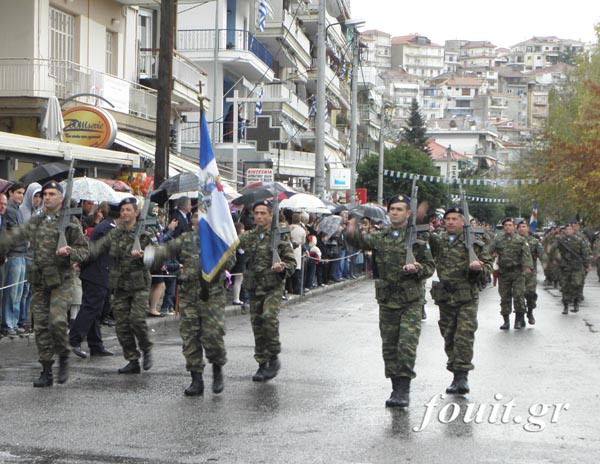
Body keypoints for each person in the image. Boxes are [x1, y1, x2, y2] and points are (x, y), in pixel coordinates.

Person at [346, 194, 435, 408]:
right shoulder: (381, 236)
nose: (395, 212)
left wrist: (417, 269)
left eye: (400, 209)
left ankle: (403, 389)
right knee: (390, 346)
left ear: (408, 213)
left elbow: (430, 268)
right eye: (392, 209)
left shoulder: (417, 238)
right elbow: (358, 240)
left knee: (406, 344)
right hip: (387, 300)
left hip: (410, 300)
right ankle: (395, 386)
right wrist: (353, 224)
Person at [0, 180, 89, 387]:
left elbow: (84, 251)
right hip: (40, 281)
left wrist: (70, 252)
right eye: (45, 194)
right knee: (40, 326)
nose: (47, 197)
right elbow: (16, 236)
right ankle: (47, 369)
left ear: (60, 197)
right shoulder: (37, 219)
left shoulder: (70, 221)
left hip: (61, 281)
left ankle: (64, 354)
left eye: (51, 194)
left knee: (57, 321)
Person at [146, 210, 235, 395]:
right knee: (190, 337)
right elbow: (168, 249)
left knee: (213, 336)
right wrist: (150, 254)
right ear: (192, 220)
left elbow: (231, 260)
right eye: (195, 216)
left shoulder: (217, 237)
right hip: (189, 295)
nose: (198, 219)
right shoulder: (186, 238)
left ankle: (217, 368)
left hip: (212, 295)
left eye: (202, 216)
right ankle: (196, 379)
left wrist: (216, 257)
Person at [428, 207, 493, 395]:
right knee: (448, 335)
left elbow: (488, 267)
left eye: (455, 219)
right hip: (445, 296)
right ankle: (454, 369)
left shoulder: (474, 243)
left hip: (466, 297)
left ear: (463, 221)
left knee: (464, 335)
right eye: (447, 219)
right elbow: (423, 246)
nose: (450, 222)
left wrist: (478, 268)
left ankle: (462, 376)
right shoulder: (438, 241)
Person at [89, 197, 154, 374]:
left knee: (137, 320)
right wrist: (79, 258)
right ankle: (132, 359)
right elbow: (98, 247)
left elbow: (154, 259)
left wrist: (142, 255)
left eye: (128, 209)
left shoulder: (145, 234)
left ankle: (146, 348)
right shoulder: (116, 233)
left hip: (139, 283)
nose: (125, 212)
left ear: (136, 212)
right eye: (123, 210)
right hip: (121, 284)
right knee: (122, 325)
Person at [237, 200, 296, 382]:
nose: (259, 217)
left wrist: (282, 266)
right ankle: (262, 364)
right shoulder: (248, 237)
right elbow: (230, 248)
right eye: (256, 213)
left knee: (268, 317)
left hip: (273, 286)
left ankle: (273, 356)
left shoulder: (279, 236)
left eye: (263, 213)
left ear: (271, 215)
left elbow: (292, 263)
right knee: (257, 325)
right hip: (254, 286)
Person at [69, 202, 115, 359]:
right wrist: (82, 263)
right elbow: (95, 250)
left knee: (96, 310)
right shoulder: (108, 228)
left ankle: (96, 344)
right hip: (97, 273)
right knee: (91, 308)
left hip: (100, 273)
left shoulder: (109, 226)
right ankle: (74, 339)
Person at [489, 218, 533, 330]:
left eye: (510, 225)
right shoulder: (498, 240)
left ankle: (519, 319)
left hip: (518, 272)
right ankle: (506, 321)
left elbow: (526, 255)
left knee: (518, 296)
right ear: (503, 227)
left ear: (514, 227)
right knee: (505, 297)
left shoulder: (521, 240)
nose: (508, 227)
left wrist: (527, 267)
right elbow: (488, 251)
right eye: (505, 225)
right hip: (504, 273)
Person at [1, 181, 27, 337]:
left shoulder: (17, 210)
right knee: (11, 291)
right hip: (14, 254)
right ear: (10, 193)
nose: (21, 196)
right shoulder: (10, 209)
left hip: (22, 253)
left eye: (23, 193)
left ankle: (14, 322)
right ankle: (8, 323)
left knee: (18, 291)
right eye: (18, 193)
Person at [553, 223, 591, 314]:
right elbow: (553, 249)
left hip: (577, 266)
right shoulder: (560, 241)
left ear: (573, 230)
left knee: (576, 284)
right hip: (565, 267)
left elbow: (585, 253)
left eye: (570, 229)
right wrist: (555, 257)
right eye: (566, 229)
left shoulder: (579, 240)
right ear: (564, 231)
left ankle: (575, 303)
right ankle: (565, 306)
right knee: (565, 286)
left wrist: (587, 265)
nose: (568, 231)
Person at [516, 220, 544, 324]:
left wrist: (545, 263)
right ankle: (520, 317)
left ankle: (530, 312)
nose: (522, 228)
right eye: (520, 227)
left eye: (524, 226)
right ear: (517, 229)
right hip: (517, 272)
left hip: (530, 273)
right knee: (519, 295)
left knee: (530, 294)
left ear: (527, 228)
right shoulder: (514, 241)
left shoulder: (534, 241)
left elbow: (541, 253)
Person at [231, 222, 247, 305]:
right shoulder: (239, 239)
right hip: (239, 261)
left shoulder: (232, 238)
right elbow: (241, 251)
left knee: (236, 281)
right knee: (238, 280)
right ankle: (236, 299)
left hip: (236, 261)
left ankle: (236, 298)